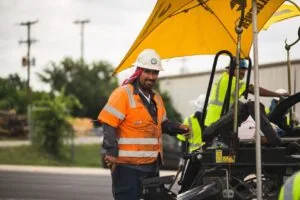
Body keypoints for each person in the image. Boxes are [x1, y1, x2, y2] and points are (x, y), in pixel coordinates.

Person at [98, 48, 190, 200]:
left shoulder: (157, 99)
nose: (151, 77)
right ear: (139, 71)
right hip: (128, 169)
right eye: (147, 72)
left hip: (152, 167)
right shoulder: (123, 94)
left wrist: (178, 128)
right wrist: (111, 153)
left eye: (155, 73)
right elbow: (108, 124)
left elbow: (162, 124)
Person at [203, 57, 288, 145]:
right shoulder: (231, 81)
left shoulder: (224, 78)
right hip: (218, 124)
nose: (243, 72)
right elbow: (254, 90)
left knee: (243, 106)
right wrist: (278, 95)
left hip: (214, 124)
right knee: (249, 106)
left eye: (244, 69)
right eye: (240, 69)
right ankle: (273, 139)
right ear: (231, 68)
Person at [177, 94, 205, 193]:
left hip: (193, 157)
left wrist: (182, 159)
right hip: (206, 156)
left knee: (187, 186)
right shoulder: (212, 119)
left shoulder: (188, 120)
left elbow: (184, 141)